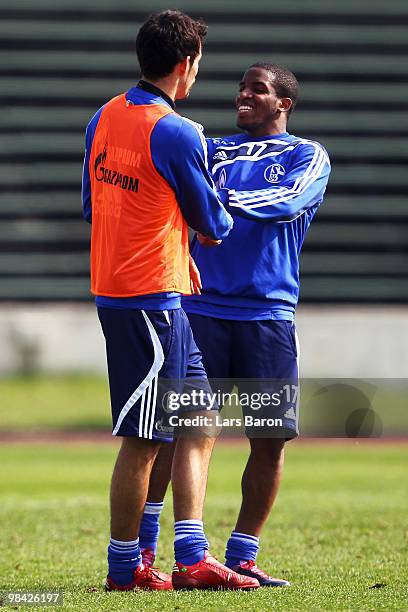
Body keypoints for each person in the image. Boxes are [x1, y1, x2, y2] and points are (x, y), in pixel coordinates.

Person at [81, 10, 259, 592]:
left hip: (148, 294)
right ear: (187, 65)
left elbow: (93, 206)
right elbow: (213, 221)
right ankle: (122, 568)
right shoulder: (178, 130)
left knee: (200, 419)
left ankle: (190, 555)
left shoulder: (102, 117)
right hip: (147, 297)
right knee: (144, 438)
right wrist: (213, 217)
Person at [142, 62, 331, 587]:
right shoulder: (210, 148)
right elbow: (173, 198)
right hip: (199, 310)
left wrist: (215, 209)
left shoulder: (306, 155)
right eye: (242, 87)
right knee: (176, 433)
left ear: (283, 104)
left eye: (259, 89)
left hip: (267, 315)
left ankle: (244, 554)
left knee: (269, 440)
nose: (244, 94)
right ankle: (145, 554)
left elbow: (288, 201)